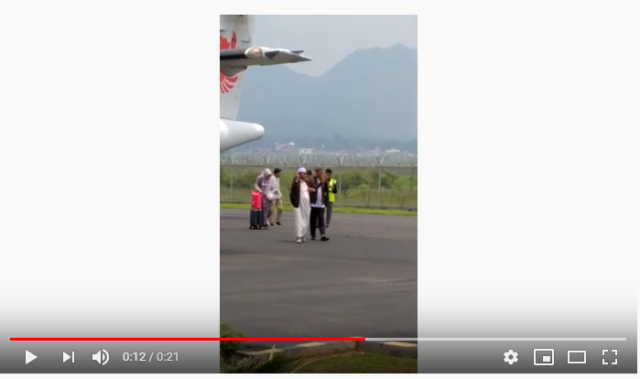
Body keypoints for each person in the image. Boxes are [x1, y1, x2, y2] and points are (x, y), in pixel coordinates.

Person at [290, 167, 312, 243]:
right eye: (303, 173)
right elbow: (292, 192)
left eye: (305, 173)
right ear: (299, 174)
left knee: (306, 219)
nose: (305, 175)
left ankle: (303, 235)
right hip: (298, 204)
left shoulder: (307, 182)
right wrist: (294, 202)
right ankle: (298, 236)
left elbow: (312, 187)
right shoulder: (296, 182)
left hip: (306, 204)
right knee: (299, 219)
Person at [309, 168, 330, 241]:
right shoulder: (312, 180)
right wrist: (321, 182)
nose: (321, 174)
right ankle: (313, 235)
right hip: (314, 204)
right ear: (316, 173)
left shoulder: (324, 181)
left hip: (321, 204)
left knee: (321, 220)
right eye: (319, 173)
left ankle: (323, 235)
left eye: (322, 173)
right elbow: (315, 187)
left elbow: (326, 190)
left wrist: (326, 183)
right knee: (313, 220)